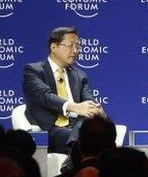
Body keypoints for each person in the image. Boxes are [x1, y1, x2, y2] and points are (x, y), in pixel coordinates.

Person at [23, 26, 103, 154]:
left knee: (90, 129)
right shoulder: (33, 71)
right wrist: (73, 107)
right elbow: (45, 96)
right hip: (51, 129)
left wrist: (94, 109)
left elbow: (88, 101)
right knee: (87, 139)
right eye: (70, 45)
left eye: (77, 46)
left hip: (77, 126)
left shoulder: (80, 76)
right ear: (53, 47)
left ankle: (70, 165)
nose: (75, 50)